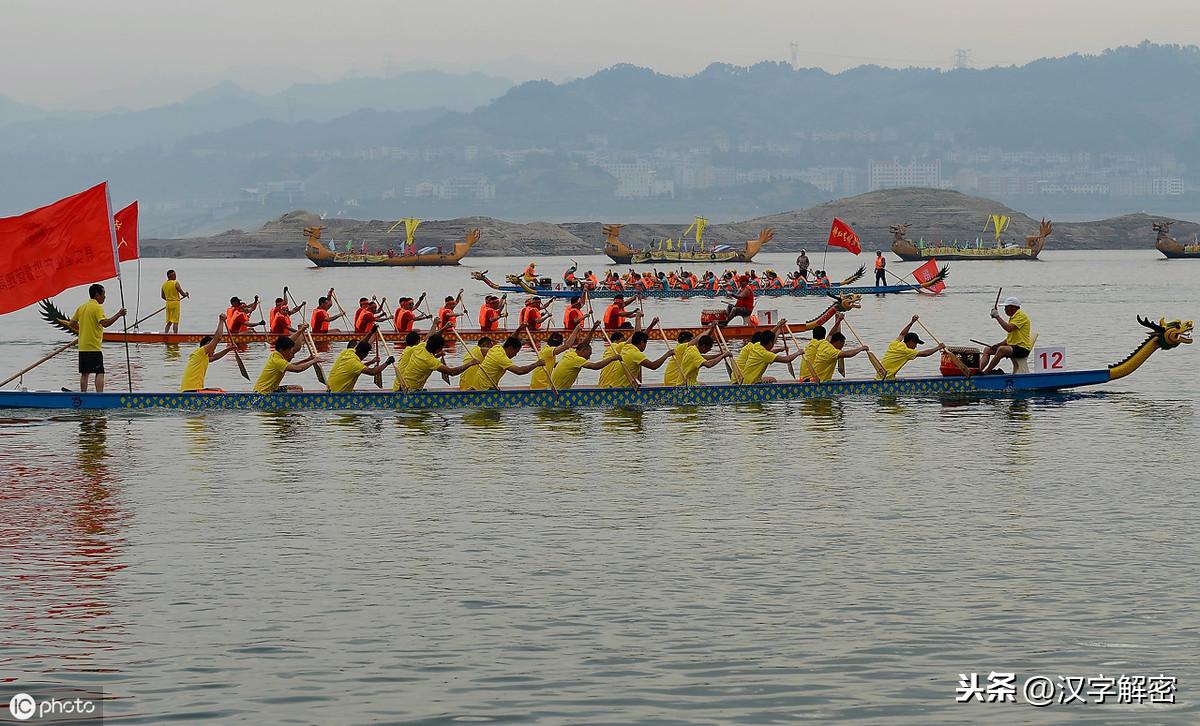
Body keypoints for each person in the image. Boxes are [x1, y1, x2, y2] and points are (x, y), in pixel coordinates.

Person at [66, 283, 126, 393]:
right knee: (100, 372)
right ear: (97, 295)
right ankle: (99, 395)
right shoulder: (97, 307)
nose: (105, 297)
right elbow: (105, 323)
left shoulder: (82, 307)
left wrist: (84, 329)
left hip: (83, 346)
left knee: (85, 373)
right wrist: (119, 314)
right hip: (93, 346)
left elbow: (71, 323)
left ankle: (83, 394)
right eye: (103, 294)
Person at [802, 315, 869, 382]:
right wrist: (861, 348)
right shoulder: (831, 351)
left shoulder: (824, 344)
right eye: (842, 345)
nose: (841, 348)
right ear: (838, 342)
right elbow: (848, 354)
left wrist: (838, 321)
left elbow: (831, 334)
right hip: (819, 382)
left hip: (814, 379)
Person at [400, 333, 479, 391]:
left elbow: (425, 358)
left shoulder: (421, 346)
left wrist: (438, 354)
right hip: (410, 391)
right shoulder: (431, 362)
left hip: (403, 385)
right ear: (438, 349)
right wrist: (470, 363)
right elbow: (452, 372)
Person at [253, 325, 318, 394]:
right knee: (297, 391)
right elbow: (298, 369)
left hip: (273, 389)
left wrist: (300, 331)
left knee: (298, 388)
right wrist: (313, 361)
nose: (291, 353)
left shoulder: (275, 354)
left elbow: (289, 341)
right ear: (282, 350)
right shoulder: (278, 361)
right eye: (289, 350)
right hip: (263, 393)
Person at [327, 329, 396, 392]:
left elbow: (361, 343)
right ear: (365, 354)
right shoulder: (355, 364)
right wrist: (387, 362)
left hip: (330, 389)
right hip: (338, 394)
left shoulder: (347, 352)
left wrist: (371, 332)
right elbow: (372, 372)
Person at [599, 327, 671, 387]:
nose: (645, 346)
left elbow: (636, 334)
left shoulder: (625, 348)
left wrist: (648, 323)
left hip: (614, 387)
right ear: (642, 342)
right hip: (622, 390)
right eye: (646, 343)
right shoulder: (635, 353)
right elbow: (653, 366)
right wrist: (667, 354)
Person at [877, 315, 944, 380]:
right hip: (886, 379)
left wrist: (912, 322)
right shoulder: (906, 351)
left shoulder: (895, 344)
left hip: (879, 376)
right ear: (911, 341)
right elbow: (925, 353)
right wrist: (938, 347)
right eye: (915, 343)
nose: (916, 346)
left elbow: (902, 334)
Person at [180, 317, 235, 392]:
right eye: (213, 347)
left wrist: (228, 349)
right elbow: (217, 338)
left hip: (195, 390)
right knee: (219, 392)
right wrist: (221, 321)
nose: (214, 350)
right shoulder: (200, 352)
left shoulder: (203, 357)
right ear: (207, 345)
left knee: (219, 390)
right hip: (191, 391)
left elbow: (214, 357)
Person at [465, 335, 541, 390]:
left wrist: (520, 329)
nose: (515, 355)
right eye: (516, 352)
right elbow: (519, 371)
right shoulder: (501, 357)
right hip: (483, 390)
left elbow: (510, 339)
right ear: (510, 348)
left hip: (480, 386)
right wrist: (536, 364)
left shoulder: (497, 348)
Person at [980, 297, 1032, 374]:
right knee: (987, 349)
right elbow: (1010, 338)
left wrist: (997, 317)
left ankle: (986, 372)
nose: (1004, 309)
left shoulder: (1021, 316)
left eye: (1006, 307)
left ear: (1013, 307)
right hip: (1013, 347)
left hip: (1022, 349)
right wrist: (998, 344)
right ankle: (978, 371)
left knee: (1001, 349)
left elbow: (1009, 328)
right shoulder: (1013, 317)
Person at [663, 328, 730, 386]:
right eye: (709, 349)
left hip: (684, 383)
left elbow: (704, 357)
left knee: (703, 384)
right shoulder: (691, 352)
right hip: (685, 386)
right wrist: (722, 356)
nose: (709, 350)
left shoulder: (691, 349)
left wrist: (720, 354)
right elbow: (709, 364)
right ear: (703, 347)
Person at [732, 329, 803, 384]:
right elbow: (786, 359)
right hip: (752, 384)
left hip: (745, 381)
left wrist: (779, 349)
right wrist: (798, 353)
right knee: (773, 380)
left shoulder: (757, 346)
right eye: (773, 343)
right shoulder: (765, 354)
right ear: (770, 342)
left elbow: (768, 352)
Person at [161, 269, 189, 334]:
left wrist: (169, 299)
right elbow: (182, 294)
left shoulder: (164, 284)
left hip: (168, 304)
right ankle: (175, 335)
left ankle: (166, 334)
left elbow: (162, 296)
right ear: (170, 276)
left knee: (169, 321)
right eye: (174, 275)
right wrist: (186, 294)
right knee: (175, 322)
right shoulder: (175, 283)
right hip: (175, 304)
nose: (175, 276)